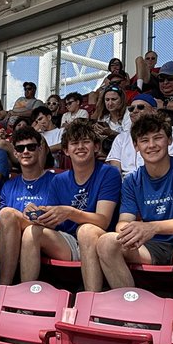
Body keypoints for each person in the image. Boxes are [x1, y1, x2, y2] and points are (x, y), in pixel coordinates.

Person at [96, 112, 173, 301]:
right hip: (149, 247)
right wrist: (131, 231)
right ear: (136, 146)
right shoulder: (132, 180)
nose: (151, 145)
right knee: (107, 242)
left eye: (158, 138)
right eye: (144, 140)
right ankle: (132, 312)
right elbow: (123, 221)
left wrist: (153, 227)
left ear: (169, 140)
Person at [22, 119, 121, 291]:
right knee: (31, 232)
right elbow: (52, 222)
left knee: (86, 230)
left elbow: (103, 221)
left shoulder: (109, 173)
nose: (80, 147)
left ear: (96, 147)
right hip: (67, 241)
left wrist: (70, 212)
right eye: (74, 143)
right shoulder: (58, 180)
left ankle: (91, 300)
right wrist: (35, 213)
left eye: (86, 142)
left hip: (99, 239)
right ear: (66, 150)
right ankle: (24, 297)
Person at [0, 126, 56, 285]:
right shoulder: (8, 186)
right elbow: (1, 218)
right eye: (20, 148)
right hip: (11, 238)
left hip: (44, 236)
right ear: (15, 153)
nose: (25, 151)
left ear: (40, 149)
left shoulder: (55, 181)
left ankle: (4, 285)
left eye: (31, 147)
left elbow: (57, 222)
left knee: (11, 216)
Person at [106, 93, 173, 173]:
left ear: (154, 111)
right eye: (131, 109)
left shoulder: (172, 132)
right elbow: (115, 169)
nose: (135, 111)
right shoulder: (121, 137)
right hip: (126, 181)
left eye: (140, 107)